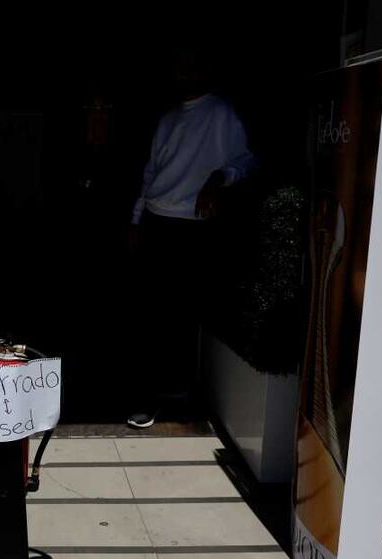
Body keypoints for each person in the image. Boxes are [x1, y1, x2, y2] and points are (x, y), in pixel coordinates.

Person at [126, 49, 257, 429]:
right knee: (149, 314)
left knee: (183, 315)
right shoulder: (167, 119)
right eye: (177, 68)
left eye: (190, 67)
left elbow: (246, 161)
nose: (182, 75)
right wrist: (136, 220)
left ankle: (179, 398)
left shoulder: (221, 114)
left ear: (205, 70)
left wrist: (220, 179)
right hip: (156, 221)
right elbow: (151, 173)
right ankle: (147, 398)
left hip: (191, 227)